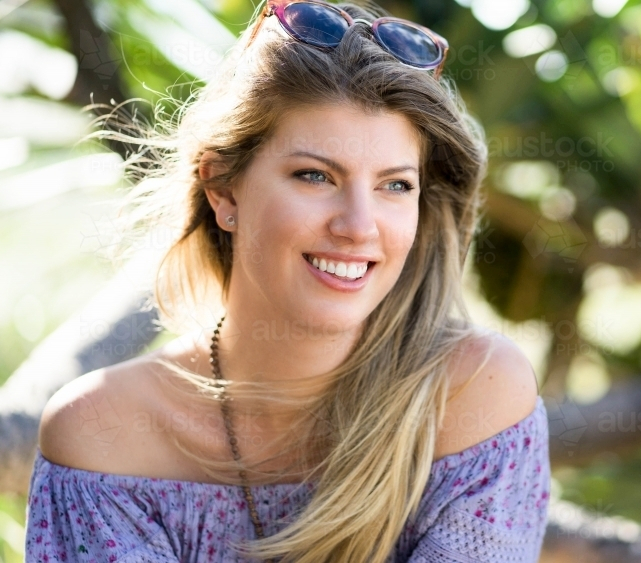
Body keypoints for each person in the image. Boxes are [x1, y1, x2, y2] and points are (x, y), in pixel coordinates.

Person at [24, 1, 550, 561]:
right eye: (315, 176)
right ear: (223, 190)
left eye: (395, 185)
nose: (358, 226)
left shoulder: (473, 396)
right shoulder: (105, 436)